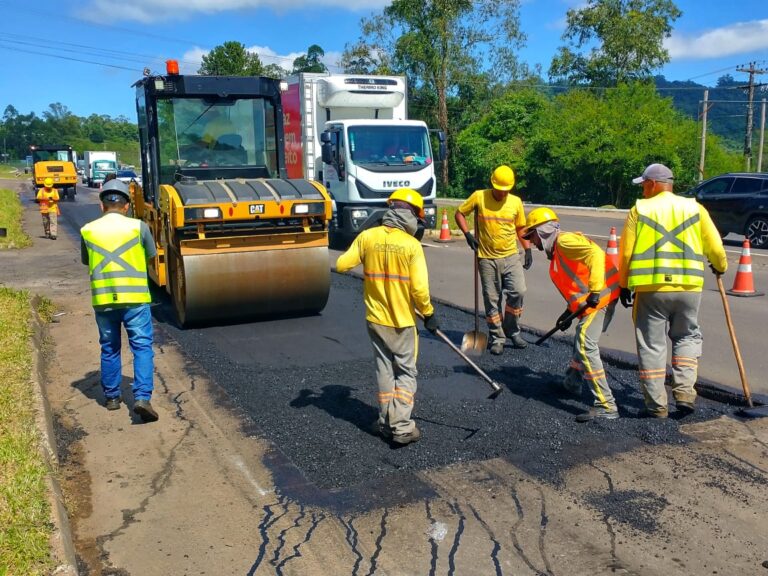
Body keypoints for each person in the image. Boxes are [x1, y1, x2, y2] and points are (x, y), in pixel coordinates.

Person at [619, 163, 727, 418]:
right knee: (686, 336)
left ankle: (656, 406)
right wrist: (720, 266)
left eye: (644, 185)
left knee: (652, 344)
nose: (643, 190)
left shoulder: (639, 209)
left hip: (652, 289)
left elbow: (626, 253)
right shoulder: (695, 208)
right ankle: (685, 393)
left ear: (653, 184)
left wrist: (624, 284)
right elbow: (716, 248)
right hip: (689, 288)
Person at [336, 188, 438, 445]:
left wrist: (366, 249)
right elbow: (419, 289)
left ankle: (384, 422)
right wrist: (428, 314)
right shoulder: (411, 245)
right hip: (403, 322)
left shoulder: (368, 237)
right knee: (406, 372)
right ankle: (401, 427)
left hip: (375, 319)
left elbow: (341, 264)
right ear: (413, 215)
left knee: (384, 369)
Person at [522, 207, 621, 422]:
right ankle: (572, 383)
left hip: (601, 296)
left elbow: (595, 254)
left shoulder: (565, 242)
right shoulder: (559, 251)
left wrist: (595, 290)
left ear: (543, 232)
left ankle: (606, 405)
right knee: (580, 337)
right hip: (596, 298)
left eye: (532, 237)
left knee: (585, 341)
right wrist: (568, 312)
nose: (533, 244)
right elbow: (577, 282)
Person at [80, 179, 159, 422]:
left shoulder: (88, 230)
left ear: (102, 206)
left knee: (110, 347)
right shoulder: (138, 227)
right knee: (142, 347)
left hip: (104, 301)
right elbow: (151, 254)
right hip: (135, 299)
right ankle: (142, 398)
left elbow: (86, 261)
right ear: (127, 206)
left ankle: (112, 398)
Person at [455, 165, 532, 355]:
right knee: (492, 299)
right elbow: (459, 213)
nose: (503, 193)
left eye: (506, 190)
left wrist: (528, 248)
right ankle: (497, 337)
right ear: (493, 184)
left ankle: (512, 330)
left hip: (511, 256)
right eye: (500, 189)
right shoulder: (479, 196)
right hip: (487, 258)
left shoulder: (515, 202)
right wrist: (467, 234)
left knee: (518, 291)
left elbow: (520, 228)